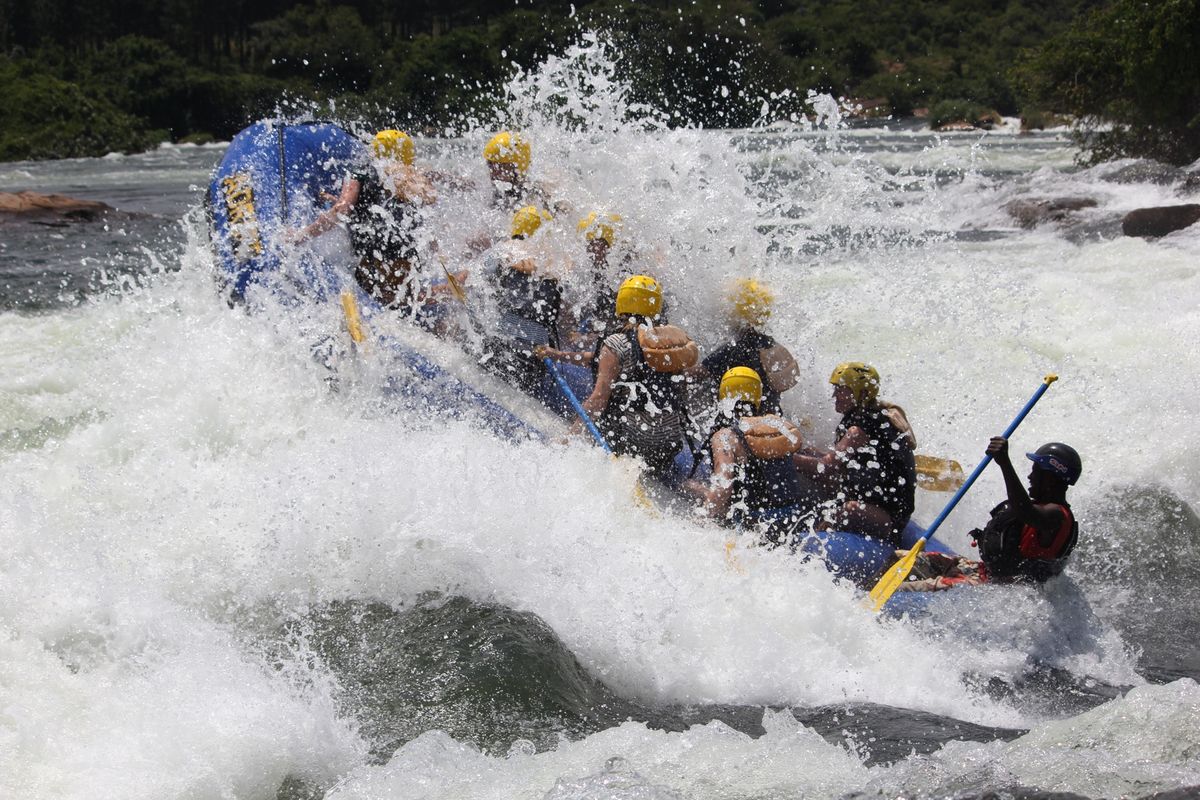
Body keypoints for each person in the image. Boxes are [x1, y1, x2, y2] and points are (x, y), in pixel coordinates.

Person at [289, 130, 455, 321]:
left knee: (391, 299)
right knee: (401, 296)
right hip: (406, 260)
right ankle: (444, 292)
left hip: (371, 260)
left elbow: (343, 209)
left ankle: (445, 290)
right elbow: (410, 217)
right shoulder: (411, 180)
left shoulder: (361, 171)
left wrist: (302, 235)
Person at [895, 438, 1082, 591]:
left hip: (999, 588)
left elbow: (1027, 512)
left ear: (1050, 477)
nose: (1030, 477)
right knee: (899, 558)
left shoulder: (1058, 516)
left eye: (1036, 472)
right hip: (983, 572)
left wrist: (1005, 463)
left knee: (904, 589)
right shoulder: (1042, 507)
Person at [576, 274, 699, 480]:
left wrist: (571, 435)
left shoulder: (616, 342)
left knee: (603, 409)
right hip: (667, 445)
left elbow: (598, 399)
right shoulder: (669, 344)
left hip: (633, 441)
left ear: (622, 301)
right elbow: (681, 395)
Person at [684, 367, 811, 546]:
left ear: (724, 395)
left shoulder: (725, 436)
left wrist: (700, 521)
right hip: (793, 516)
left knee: (691, 487)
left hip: (756, 524)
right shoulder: (780, 428)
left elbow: (723, 486)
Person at [794, 361, 917, 544]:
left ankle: (808, 542)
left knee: (847, 509)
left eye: (841, 390)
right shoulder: (871, 415)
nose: (835, 395)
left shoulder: (861, 429)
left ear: (862, 393)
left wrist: (789, 459)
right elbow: (839, 458)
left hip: (887, 516)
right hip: (875, 504)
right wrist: (805, 452)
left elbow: (827, 467)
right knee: (816, 464)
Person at [480, 205, 565, 397]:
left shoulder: (503, 250)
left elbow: (478, 285)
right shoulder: (555, 263)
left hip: (501, 339)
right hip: (537, 351)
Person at [694, 279, 799, 415]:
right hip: (770, 418)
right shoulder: (775, 347)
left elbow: (696, 374)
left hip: (739, 421)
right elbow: (787, 381)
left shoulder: (733, 349)